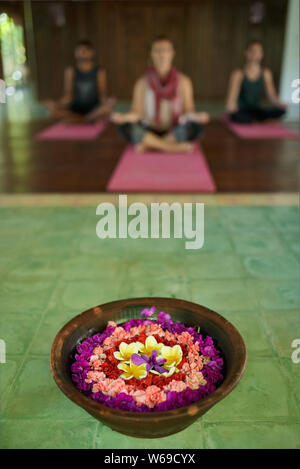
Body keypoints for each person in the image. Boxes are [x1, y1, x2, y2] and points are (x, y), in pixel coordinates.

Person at [111, 35, 210, 153]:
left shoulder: (184, 81)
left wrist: (198, 116)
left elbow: (188, 110)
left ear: (172, 53)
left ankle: (150, 144)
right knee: (124, 127)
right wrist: (122, 117)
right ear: (151, 54)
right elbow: (137, 112)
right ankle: (173, 147)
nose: (162, 55)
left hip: (174, 129)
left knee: (197, 127)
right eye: (157, 51)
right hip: (149, 128)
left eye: (166, 50)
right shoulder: (142, 82)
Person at [45, 39, 115, 123]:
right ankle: (86, 119)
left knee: (107, 109)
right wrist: (56, 104)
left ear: (92, 52)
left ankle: (81, 119)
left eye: (86, 50)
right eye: (80, 50)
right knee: (52, 113)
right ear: (75, 53)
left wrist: (107, 102)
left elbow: (102, 94)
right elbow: (68, 96)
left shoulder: (99, 71)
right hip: (76, 108)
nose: (83, 53)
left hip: (93, 108)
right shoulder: (70, 71)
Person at [226, 39, 287, 124]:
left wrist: (281, 104)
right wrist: (231, 107)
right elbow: (232, 99)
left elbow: (272, 95)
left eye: (259, 51)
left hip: (255, 109)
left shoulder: (266, 73)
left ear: (262, 54)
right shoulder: (238, 74)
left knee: (280, 111)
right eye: (253, 51)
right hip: (242, 110)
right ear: (246, 53)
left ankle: (255, 120)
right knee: (239, 116)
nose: (256, 54)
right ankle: (254, 120)